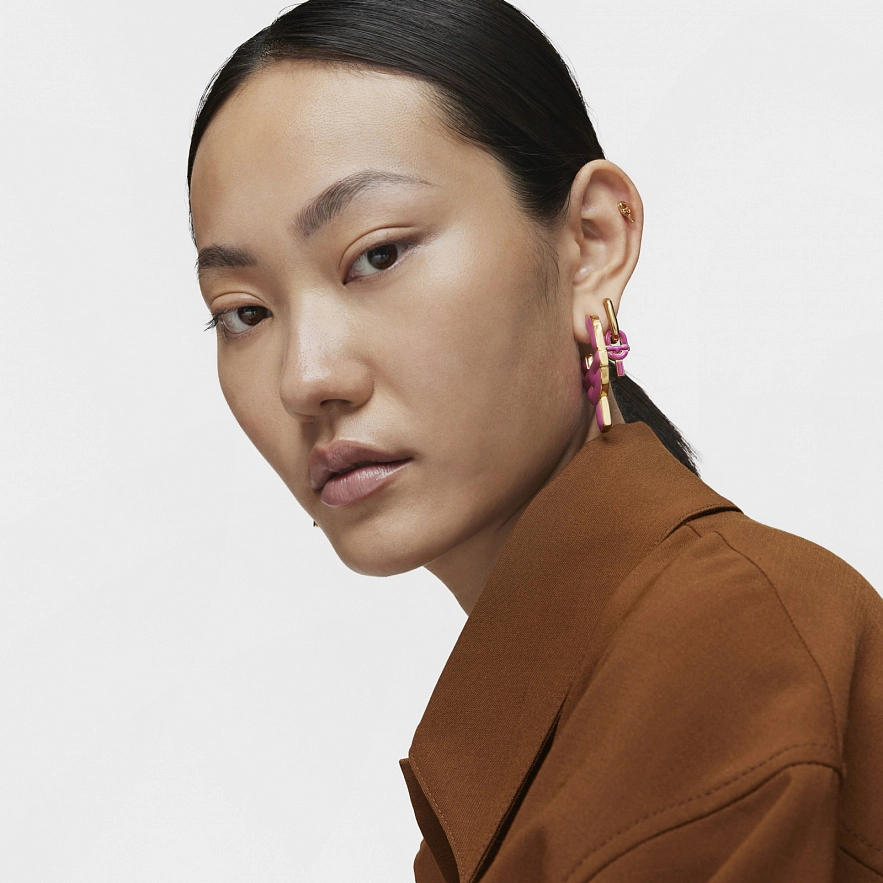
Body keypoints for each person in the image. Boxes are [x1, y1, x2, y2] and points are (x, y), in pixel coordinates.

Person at [186, 0, 883, 879]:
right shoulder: (581, 692)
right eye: (244, 313)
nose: (306, 377)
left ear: (590, 241)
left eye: (378, 254)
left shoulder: (722, 646)